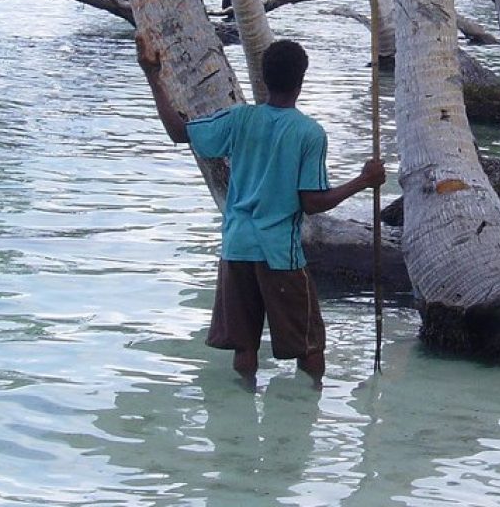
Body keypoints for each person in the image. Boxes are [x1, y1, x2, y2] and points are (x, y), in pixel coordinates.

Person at [139, 38, 385, 388]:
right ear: (301, 81)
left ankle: (244, 407)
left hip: (237, 246)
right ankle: (306, 411)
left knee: (244, 345)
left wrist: (152, 76)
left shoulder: (240, 119)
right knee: (309, 345)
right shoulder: (308, 133)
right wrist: (364, 181)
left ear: (264, 79)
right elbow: (311, 202)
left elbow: (179, 133)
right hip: (278, 253)